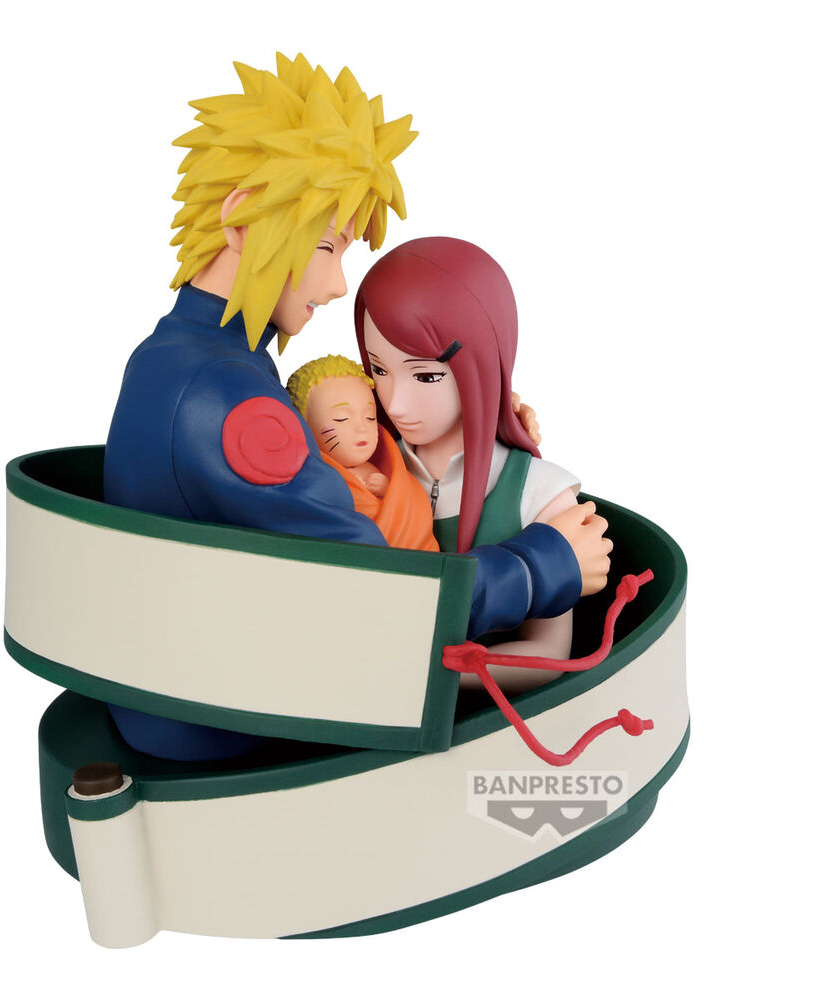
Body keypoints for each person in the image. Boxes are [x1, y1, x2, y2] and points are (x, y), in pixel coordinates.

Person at [103, 55, 610, 759]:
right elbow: (380, 600)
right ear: (241, 219)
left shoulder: (167, 359)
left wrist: (481, 406)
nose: (338, 284)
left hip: (174, 682)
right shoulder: (231, 401)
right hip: (224, 716)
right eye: (325, 246)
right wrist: (544, 563)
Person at [356, 236, 609, 692]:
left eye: (426, 375)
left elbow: (548, 655)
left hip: (489, 720)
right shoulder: (364, 469)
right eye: (379, 369)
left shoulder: (539, 493)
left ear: (483, 364)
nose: (395, 402)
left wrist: (412, 674)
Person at [286, 355, 437, 551]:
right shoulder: (308, 476)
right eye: (341, 419)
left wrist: (385, 488)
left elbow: (407, 504)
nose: (361, 428)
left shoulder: (390, 469)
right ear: (303, 425)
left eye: (370, 417)